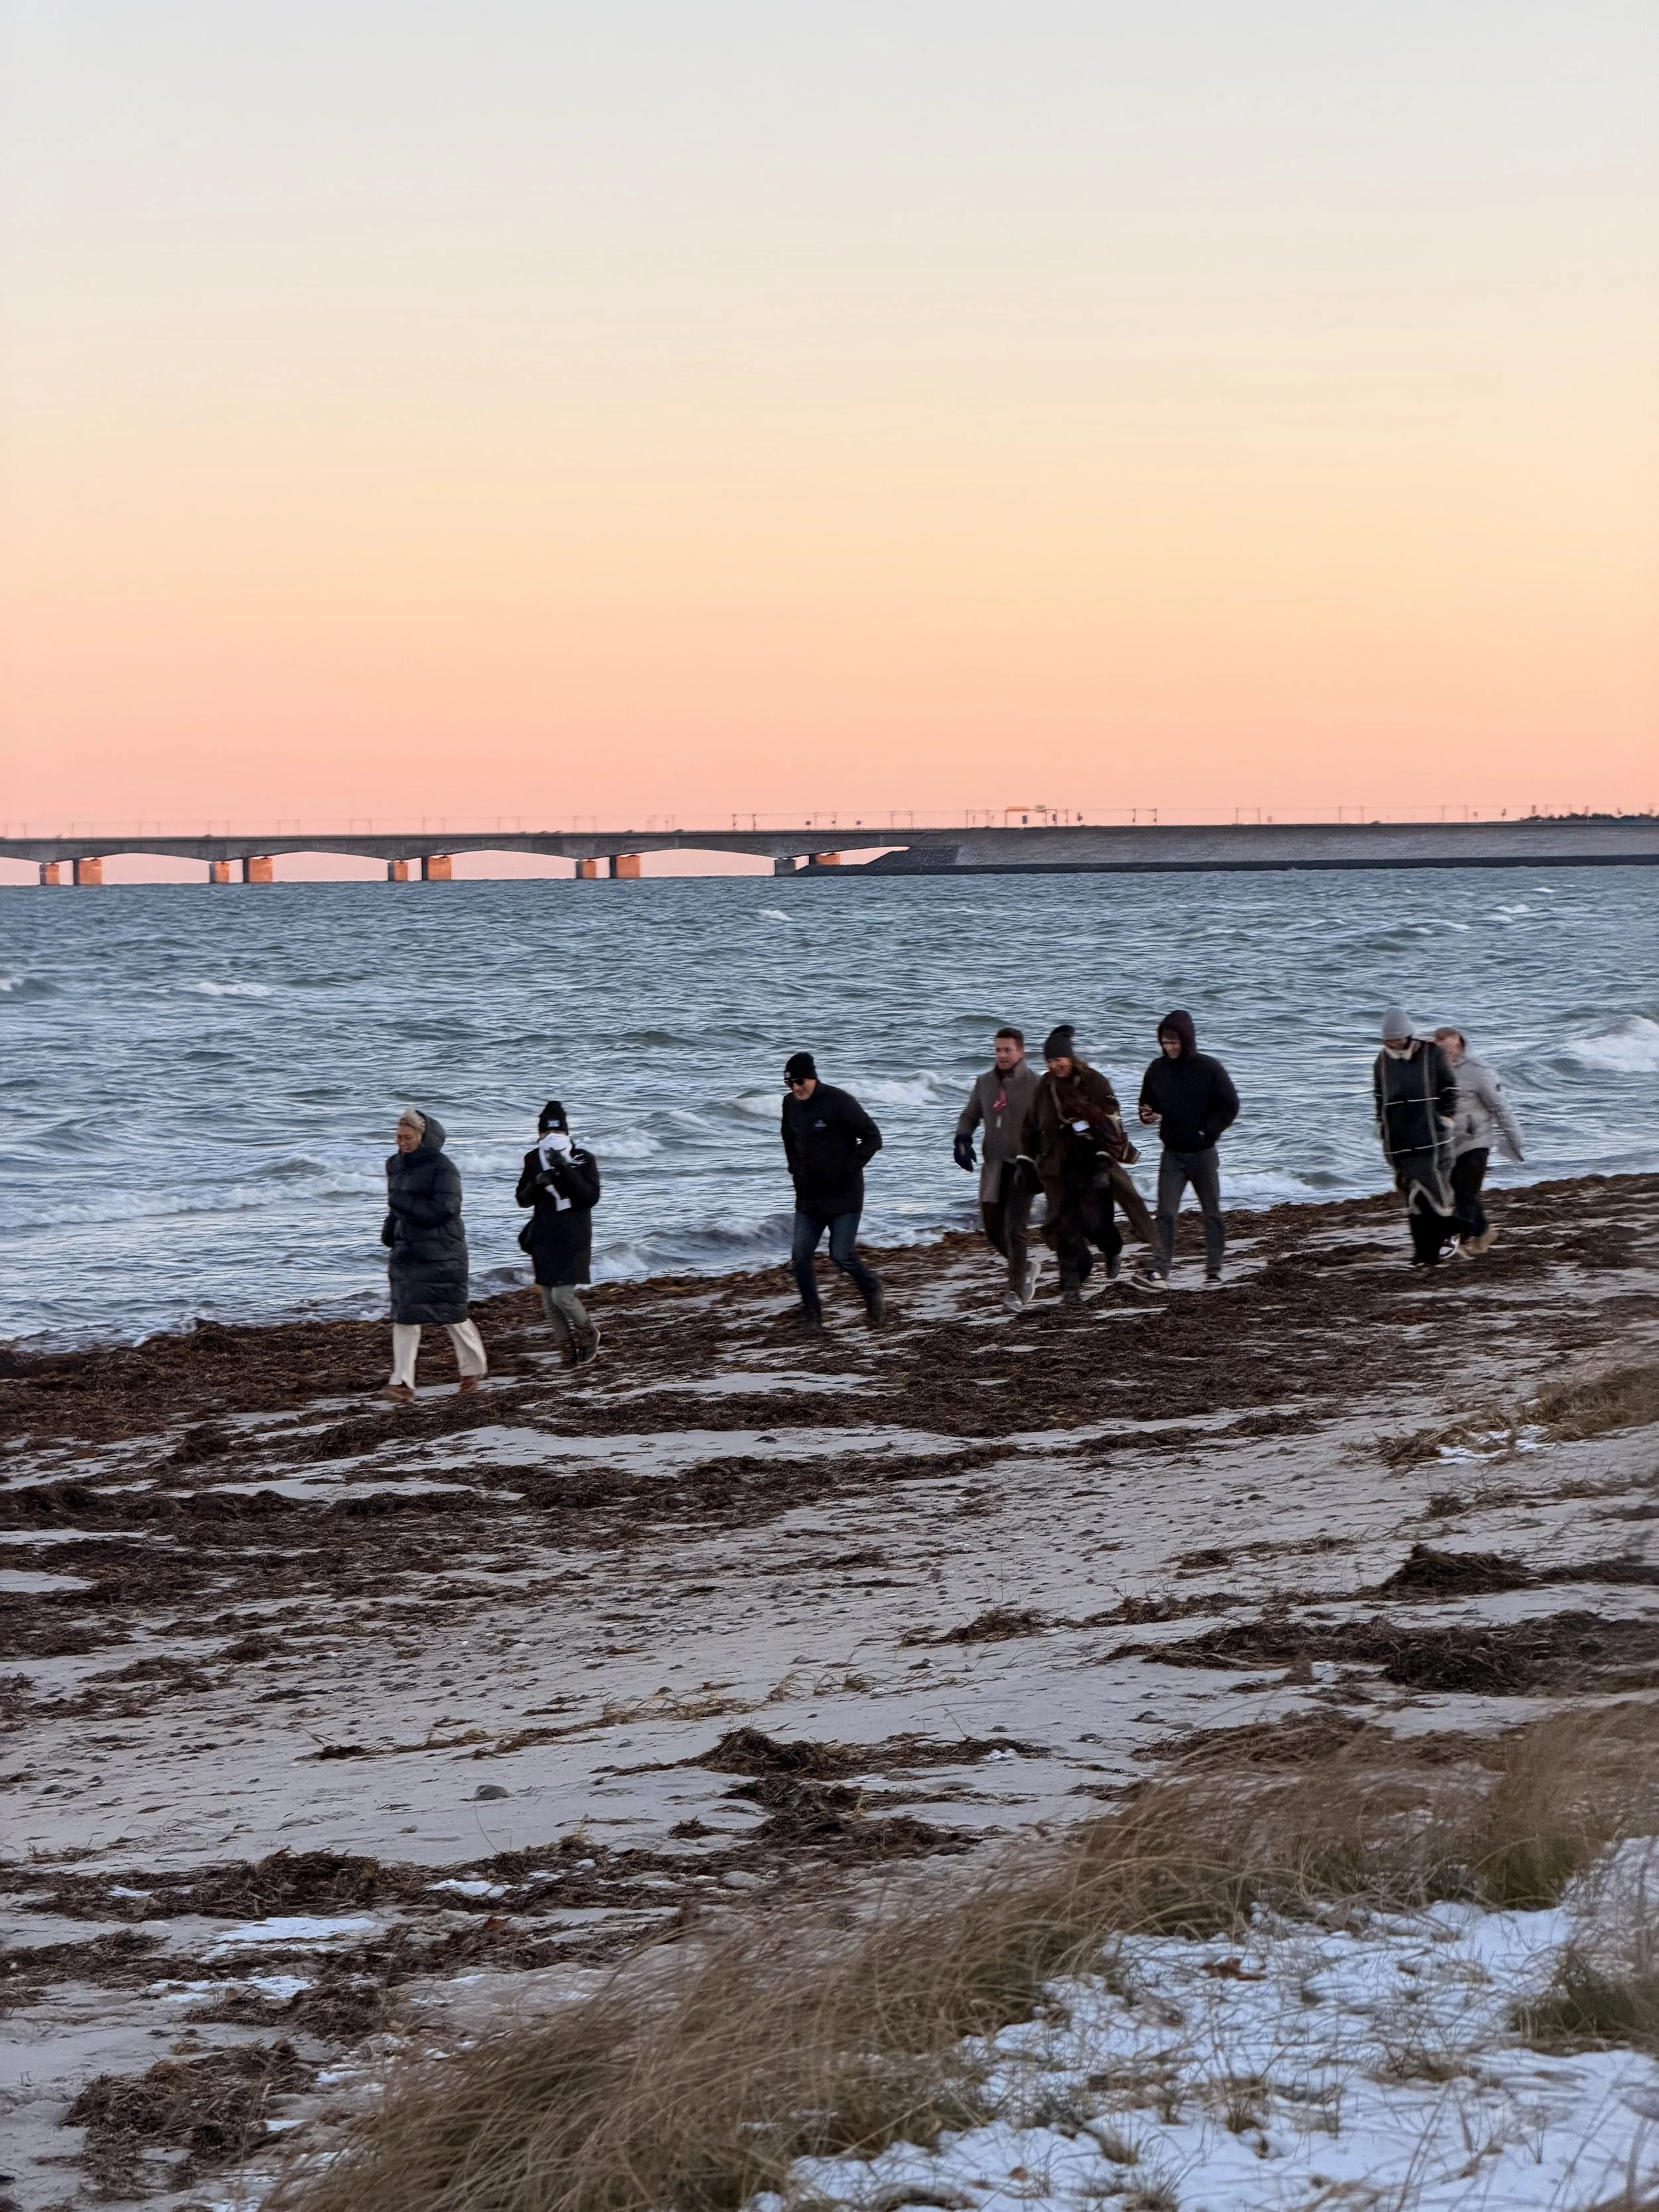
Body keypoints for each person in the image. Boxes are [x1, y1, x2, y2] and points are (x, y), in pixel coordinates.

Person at [1019, 1024, 1154, 1304]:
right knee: (1062, 1227)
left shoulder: (1095, 1082)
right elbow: (1031, 1127)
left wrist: (1105, 1162)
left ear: (1071, 1057)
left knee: (1097, 1224)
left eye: (1060, 1059)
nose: (1056, 1065)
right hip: (1057, 1168)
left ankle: (1115, 1248)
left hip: (1094, 1164)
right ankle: (1071, 1288)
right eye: (1051, 1061)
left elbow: (1114, 1126)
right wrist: (1026, 1161)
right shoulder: (1044, 1088)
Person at [381, 1108, 487, 1398]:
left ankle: (472, 1369)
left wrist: (404, 1206)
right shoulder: (394, 1164)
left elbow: (447, 1210)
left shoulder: (443, 1167)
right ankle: (402, 1383)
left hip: (443, 1251)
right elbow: (396, 1204)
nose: (401, 1142)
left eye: (408, 1136)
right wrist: (390, 1229)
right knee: (405, 1316)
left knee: (452, 1315)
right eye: (398, 1136)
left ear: (423, 1137)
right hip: (407, 1251)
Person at [1131, 1009, 1240, 1291]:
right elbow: (1147, 1105)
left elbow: (1230, 1105)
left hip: (1203, 1154)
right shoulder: (1157, 1069)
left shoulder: (1209, 1068)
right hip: (1172, 1154)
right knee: (1165, 1213)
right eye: (1165, 1043)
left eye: (1174, 1042)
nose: (1169, 1048)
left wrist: (1208, 1130)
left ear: (1186, 1039)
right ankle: (1160, 1271)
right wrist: (1147, 1115)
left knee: (1212, 1213)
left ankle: (1214, 1271)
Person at [780, 1050, 885, 1329]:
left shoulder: (839, 1102)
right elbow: (789, 1140)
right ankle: (813, 1315)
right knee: (800, 1258)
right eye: (790, 1083)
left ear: (813, 1077)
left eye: (800, 1081)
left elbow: (874, 1138)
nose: (796, 1088)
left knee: (841, 1255)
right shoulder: (789, 1104)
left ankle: (872, 1288)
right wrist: (795, 1173)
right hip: (809, 1198)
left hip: (844, 1195)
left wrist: (848, 1169)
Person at [955, 1026, 1044, 1311]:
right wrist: (962, 1139)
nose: (1002, 1055)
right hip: (993, 1166)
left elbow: (1049, 1127)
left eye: (1008, 1050)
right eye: (998, 1050)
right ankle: (1026, 1267)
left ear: (1021, 1052)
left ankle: (1015, 1292)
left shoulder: (1036, 1085)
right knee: (993, 1229)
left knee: (1016, 1228)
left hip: (1025, 1167)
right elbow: (970, 1115)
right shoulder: (984, 1083)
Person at [516, 1100, 603, 1365]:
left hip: (574, 1237)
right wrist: (536, 1184)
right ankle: (566, 1350)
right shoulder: (532, 1159)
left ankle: (589, 1331)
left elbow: (589, 1197)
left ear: (567, 1132)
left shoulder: (583, 1158)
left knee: (562, 1295)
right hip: (545, 1237)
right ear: (539, 1133)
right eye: (546, 1133)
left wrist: (564, 1168)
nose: (552, 1137)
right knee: (549, 1302)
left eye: (558, 1132)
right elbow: (522, 1199)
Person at [1373, 1010, 1458, 1267]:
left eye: (1397, 1039)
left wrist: (1446, 1117)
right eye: (1388, 1041)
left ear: (1408, 1036)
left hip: (1432, 1137)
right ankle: (1423, 1253)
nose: (1392, 1044)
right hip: (1399, 1139)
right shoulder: (1382, 1060)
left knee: (1432, 1193)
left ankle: (1450, 1234)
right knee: (1411, 1198)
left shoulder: (1431, 1053)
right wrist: (1381, 1124)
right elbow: (1379, 1095)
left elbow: (1449, 1087)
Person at [1433, 1028, 1524, 1255]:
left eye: (1449, 1048)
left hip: (1477, 1139)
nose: (1446, 1054)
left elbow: (1499, 1106)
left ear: (1460, 1045)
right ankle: (1483, 1231)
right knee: (1461, 1191)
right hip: (1447, 1143)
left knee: (1465, 1190)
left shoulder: (1477, 1070)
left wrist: (1513, 1137)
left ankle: (1455, 1244)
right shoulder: (1431, 1071)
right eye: (1440, 1049)